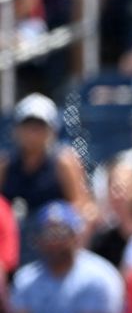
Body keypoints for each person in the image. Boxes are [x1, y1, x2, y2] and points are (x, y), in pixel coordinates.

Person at [6, 201, 122, 313]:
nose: (54, 240)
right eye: (48, 234)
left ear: (76, 236)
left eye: (61, 232)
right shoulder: (26, 279)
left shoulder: (98, 276)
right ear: (39, 240)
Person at [0, 93, 92, 257]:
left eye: (39, 126)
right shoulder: (6, 165)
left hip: (55, 242)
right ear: (17, 130)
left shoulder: (64, 162)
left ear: (52, 130)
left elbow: (80, 206)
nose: (33, 132)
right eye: (28, 126)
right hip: (15, 242)